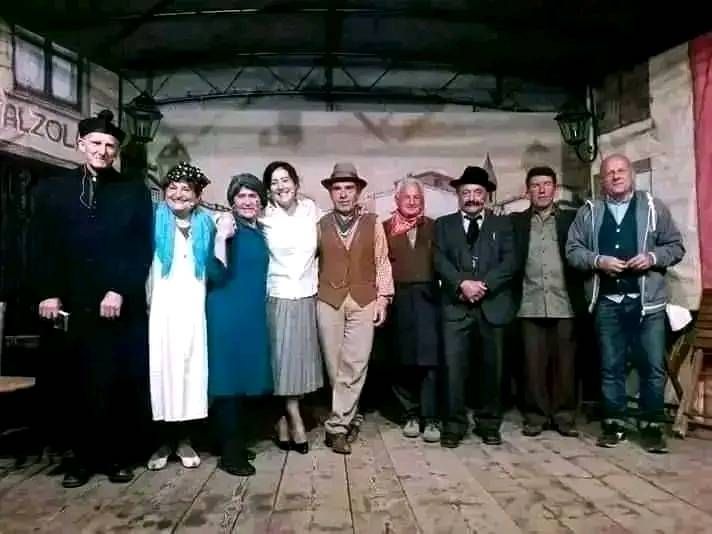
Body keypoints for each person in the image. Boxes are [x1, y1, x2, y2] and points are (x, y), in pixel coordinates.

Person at [31, 110, 153, 487]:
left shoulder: (133, 190)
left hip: (117, 303)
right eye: (96, 143)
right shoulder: (53, 189)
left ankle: (116, 457)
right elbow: (41, 244)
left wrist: (119, 289)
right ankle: (80, 460)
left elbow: (141, 247)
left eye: (110, 145)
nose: (103, 151)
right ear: (81, 144)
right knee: (75, 381)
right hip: (71, 302)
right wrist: (48, 292)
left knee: (116, 380)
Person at [566, 154, 684, 453]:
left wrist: (652, 257)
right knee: (611, 366)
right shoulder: (589, 212)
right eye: (610, 173)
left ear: (631, 175)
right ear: (602, 180)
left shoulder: (654, 207)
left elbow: (676, 246)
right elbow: (573, 250)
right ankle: (614, 423)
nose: (616, 176)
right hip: (607, 302)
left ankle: (651, 426)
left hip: (648, 304)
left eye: (621, 171)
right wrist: (598, 260)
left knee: (652, 367)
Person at [146, 162, 235, 470]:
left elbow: (217, 271)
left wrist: (222, 232)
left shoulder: (206, 225)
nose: (179, 194)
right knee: (161, 373)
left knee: (189, 374)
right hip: (159, 310)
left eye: (187, 189)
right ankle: (162, 442)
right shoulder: (152, 221)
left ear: (198, 197)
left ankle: (185, 440)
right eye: (173, 188)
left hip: (194, 310)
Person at [433, 165, 517, 448]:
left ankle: (489, 424)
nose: (472, 197)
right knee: (453, 370)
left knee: (492, 369)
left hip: (493, 307)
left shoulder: (503, 225)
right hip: (456, 309)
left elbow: (510, 262)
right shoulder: (443, 225)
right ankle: (453, 425)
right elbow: (439, 260)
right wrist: (462, 284)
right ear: (458, 195)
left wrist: (485, 286)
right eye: (466, 192)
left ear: (486, 195)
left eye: (477, 192)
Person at [317, 162, 394, 455]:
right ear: (331, 192)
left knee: (356, 363)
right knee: (334, 366)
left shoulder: (373, 223)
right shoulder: (320, 224)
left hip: (363, 299)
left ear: (358, 191)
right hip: (328, 300)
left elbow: (382, 261)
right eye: (337, 188)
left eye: (349, 188)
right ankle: (349, 414)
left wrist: (383, 298)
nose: (343, 194)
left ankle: (337, 427)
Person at [510, 166, 586, 437]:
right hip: (528, 304)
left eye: (546, 184)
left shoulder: (571, 220)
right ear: (527, 191)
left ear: (555, 188)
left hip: (564, 303)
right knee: (533, 365)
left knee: (566, 365)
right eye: (535, 185)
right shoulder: (516, 223)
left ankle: (564, 416)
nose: (541, 190)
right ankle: (535, 416)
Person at [207, 173, 272, 476]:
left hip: (251, 313)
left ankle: (233, 443)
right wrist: (221, 238)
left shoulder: (257, 231)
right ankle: (230, 455)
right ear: (232, 201)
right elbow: (215, 274)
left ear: (261, 200)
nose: (247, 201)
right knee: (228, 382)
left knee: (244, 379)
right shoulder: (226, 228)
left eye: (253, 196)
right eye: (241, 196)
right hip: (227, 313)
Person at [261, 161, 324, 454]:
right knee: (281, 361)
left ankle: (283, 417)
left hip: (308, 294)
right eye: (274, 182)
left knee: (299, 361)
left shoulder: (311, 210)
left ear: (296, 183)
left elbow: (327, 244)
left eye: (285, 180)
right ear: (268, 189)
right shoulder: (263, 217)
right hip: (278, 295)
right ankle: (293, 416)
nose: (281, 186)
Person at [383, 177, 442, 443]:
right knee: (402, 359)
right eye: (406, 197)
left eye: (416, 197)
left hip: (429, 300)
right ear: (396, 200)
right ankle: (411, 414)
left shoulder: (434, 227)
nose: (411, 201)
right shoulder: (384, 229)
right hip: (398, 301)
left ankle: (431, 418)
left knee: (429, 362)